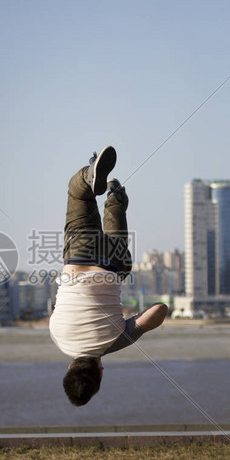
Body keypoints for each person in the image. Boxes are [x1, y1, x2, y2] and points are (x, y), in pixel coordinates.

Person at [49, 146, 168, 406]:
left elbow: (159, 310)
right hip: (79, 257)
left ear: (101, 373)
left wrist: (131, 330)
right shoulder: (57, 336)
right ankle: (90, 176)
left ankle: (115, 194)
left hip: (114, 264)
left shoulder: (114, 342)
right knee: (78, 194)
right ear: (68, 368)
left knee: (118, 253)